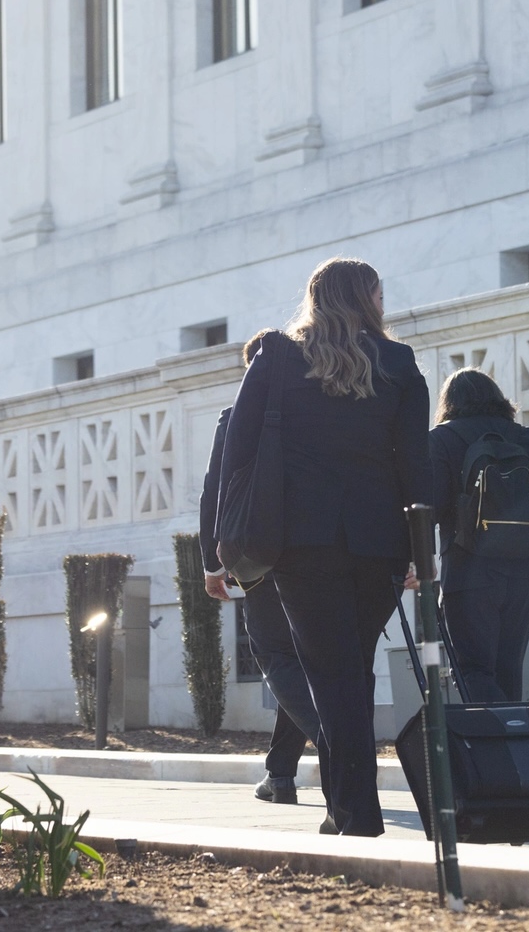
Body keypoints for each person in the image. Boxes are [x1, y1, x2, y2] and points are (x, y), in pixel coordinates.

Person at [217, 258, 430, 836]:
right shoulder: (400, 362)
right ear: (366, 299)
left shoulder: (278, 357)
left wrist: (226, 545)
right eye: (379, 295)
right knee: (350, 670)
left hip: (301, 540)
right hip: (378, 540)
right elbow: (416, 466)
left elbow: (237, 451)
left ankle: (357, 812)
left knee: (331, 672)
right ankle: (344, 808)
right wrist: (422, 551)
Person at [197, 342, 321, 805]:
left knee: (275, 657)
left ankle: (332, 741)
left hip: (258, 554)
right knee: (302, 662)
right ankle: (280, 774)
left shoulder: (234, 418)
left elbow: (215, 493)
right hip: (315, 552)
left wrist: (212, 565)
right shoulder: (316, 410)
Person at [428, 368, 529, 702]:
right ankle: (515, 748)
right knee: (509, 669)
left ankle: (495, 751)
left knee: (472, 671)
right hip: (527, 572)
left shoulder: (441, 439)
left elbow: (432, 506)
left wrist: (417, 561)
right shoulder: (527, 438)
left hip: (468, 572)